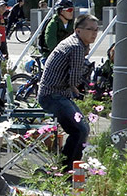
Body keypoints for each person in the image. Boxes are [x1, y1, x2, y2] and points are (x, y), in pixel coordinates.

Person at [38, 14, 102, 169]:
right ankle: (67, 169)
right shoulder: (76, 47)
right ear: (78, 30)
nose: (94, 33)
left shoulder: (73, 43)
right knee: (80, 130)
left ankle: (67, 167)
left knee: (81, 129)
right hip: (53, 96)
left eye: (96, 29)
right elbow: (74, 81)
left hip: (54, 94)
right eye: (90, 29)